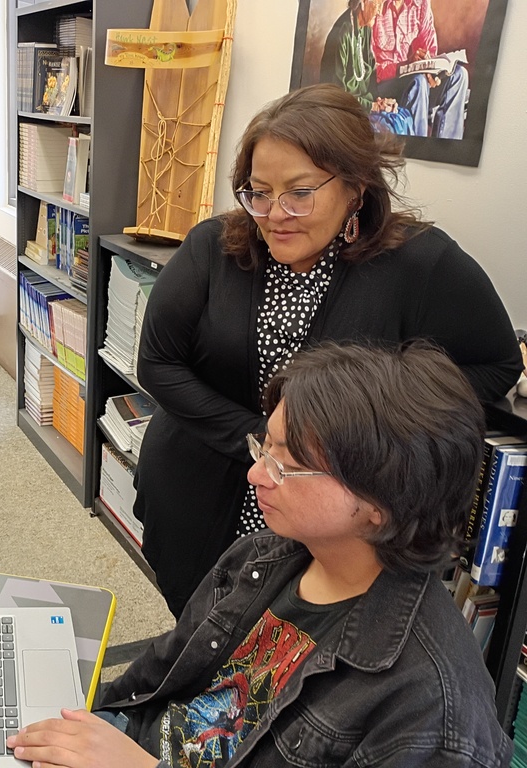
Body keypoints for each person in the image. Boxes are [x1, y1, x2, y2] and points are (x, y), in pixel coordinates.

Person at [9, 342, 513, 767]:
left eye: (286, 466)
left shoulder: (432, 711)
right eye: (263, 448)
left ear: (381, 503)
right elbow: (161, 670)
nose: (256, 475)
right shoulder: (263, 555)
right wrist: (77, 713)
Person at [133, 83, 521, 618]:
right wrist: (258, 441)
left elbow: (497, 363)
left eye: (299, 192)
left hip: (335, 516)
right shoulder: (213, 248)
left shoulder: (420, 264)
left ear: (355, 189)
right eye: (259, 191)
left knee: (301, 650)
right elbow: (158, 362)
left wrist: (380, 420)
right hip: (204, 490)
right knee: (203, 627)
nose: (274, 214)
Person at [371, 0, 469, 139]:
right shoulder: (375, 5)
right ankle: (417, 149)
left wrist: (432, 72)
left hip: (413, 78)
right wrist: (405, 65)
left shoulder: (421, 4)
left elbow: (428, 50)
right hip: (383, 85)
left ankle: (446, 149)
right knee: (418, 81)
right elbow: (369, 70)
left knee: (459, 74)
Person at [319, 0, 414, 135]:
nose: (380, 12)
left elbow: (370, 75)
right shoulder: (342, 33)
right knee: (391, 129)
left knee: (404, 117)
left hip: (364, 107)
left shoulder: (366, 28)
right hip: (342, 113)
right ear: (363, 3)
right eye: (378, 4)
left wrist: (379, 102)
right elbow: (337, 95)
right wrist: (372, 106)